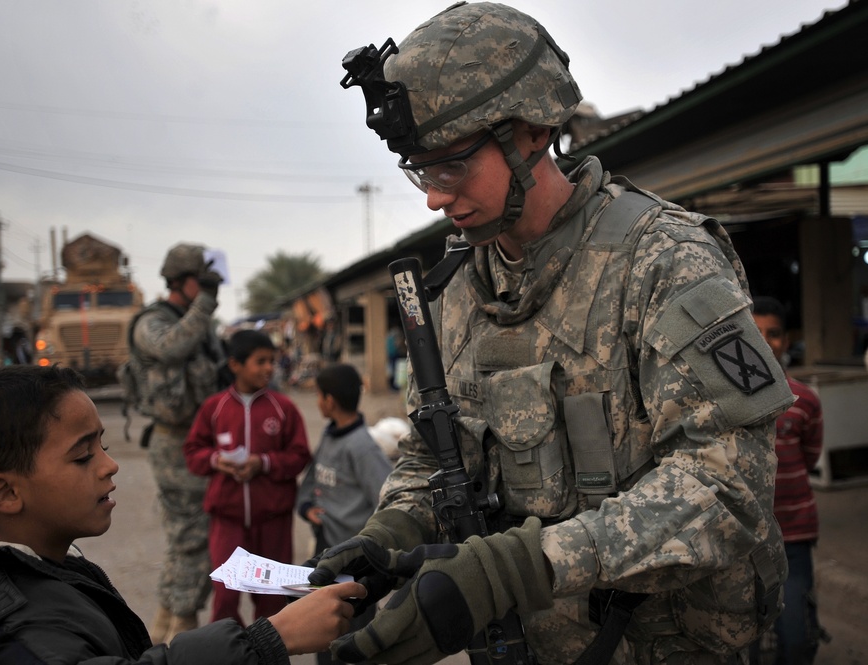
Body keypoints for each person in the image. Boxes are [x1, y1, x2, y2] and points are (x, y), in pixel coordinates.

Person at [311, 3, 796, 664]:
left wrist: (514, 568)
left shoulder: (664, 261)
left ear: (531, 131)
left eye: (450, 166)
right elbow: (434, 451)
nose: (432, 197)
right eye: (420, 172)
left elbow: (727, 486)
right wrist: (393, 528)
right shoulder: (458, 287)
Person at [0, 364, 365, 665]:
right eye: (83, 455)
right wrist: (266, 642)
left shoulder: (56, 573)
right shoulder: (18, 631)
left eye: (103, 446)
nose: (110, 466)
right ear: (4, 493)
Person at [128, 243, 226, 644]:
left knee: (191, 538)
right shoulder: (152, 322)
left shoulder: (199, 324)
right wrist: (203, 305)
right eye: (200, 284)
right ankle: (179, 632)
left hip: (201, 441)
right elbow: (170, 347)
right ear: (184, 282)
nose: (207, 293)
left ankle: (165, 632)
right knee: (192, 537)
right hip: (173, 443)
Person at [183, 330, 311, 626]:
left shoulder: (283, 408)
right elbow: (192, 451)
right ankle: (229, 655)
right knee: (226, 597)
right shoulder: (214, 408)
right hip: (227, 519)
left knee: (272, 602)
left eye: (272, 361)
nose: (269, 368)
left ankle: (269, 655)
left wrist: (263, 463)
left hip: (273, 520)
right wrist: (217, 460)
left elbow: (300, 455)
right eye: (260, 361)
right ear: (235, 365)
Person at [296, 363, 393, 665]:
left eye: (318, 396)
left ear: (330, 401)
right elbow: (313, 481)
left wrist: (369, 547)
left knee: (353, 638)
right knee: (322, 631)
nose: (317, 402)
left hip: (354, 564)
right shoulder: (331, 435)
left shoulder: (362, 447)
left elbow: (388, 498)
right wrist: (308, 507)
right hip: (327, 554)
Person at [751, 297, 824, 664]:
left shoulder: (806, 399)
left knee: (796, 636)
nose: (765, 341)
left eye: (774, 334)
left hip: (794, 534)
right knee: (739, 638)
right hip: (744, 539)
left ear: (787, 339)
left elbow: (810, 455)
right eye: (756, 331)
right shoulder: (721, 402)